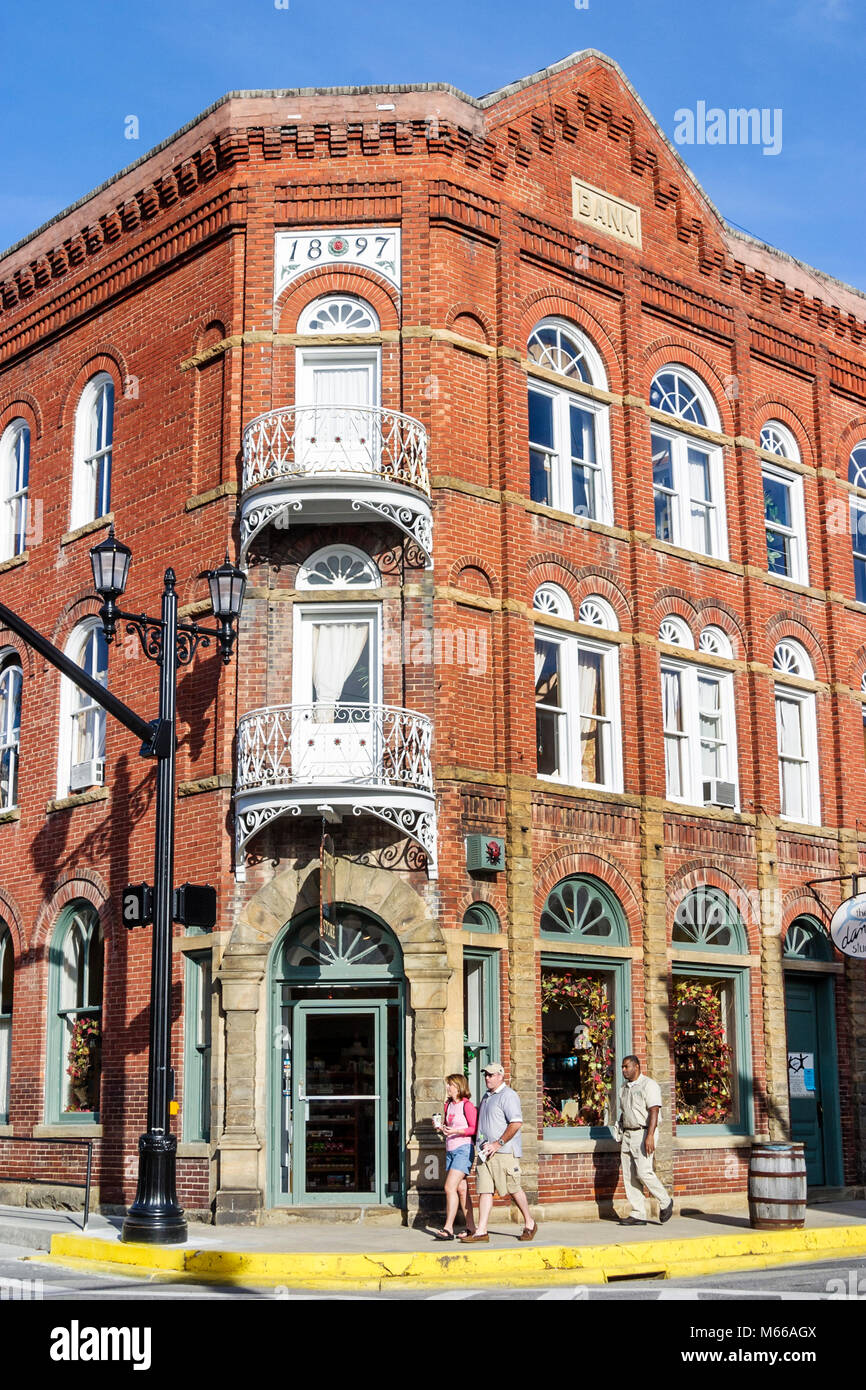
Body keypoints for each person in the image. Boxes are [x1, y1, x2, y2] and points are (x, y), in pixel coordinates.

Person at [462, 1062, 537, 1242]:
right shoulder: (487, 1097)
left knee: (513, 1188)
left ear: (500, 1076)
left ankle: (530, 1222)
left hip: (503, 1152)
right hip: (485, 1152)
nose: (487, 1078)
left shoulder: (508, 1096)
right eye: (486, 1075)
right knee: (484, 1190)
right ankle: (481, 1231)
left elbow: (516, 1123)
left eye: (491, 1075)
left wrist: (498, 1143)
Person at [615, 1054, 674, 1226]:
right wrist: (620, 1130)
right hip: (627, 1133)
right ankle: (638, 1213)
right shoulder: (623, 1088)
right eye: (622, 1067)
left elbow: (654, 1110)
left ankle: (665, 1201)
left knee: (643, 1171)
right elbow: (624, 1111)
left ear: (637, 1067)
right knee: (629, 1175)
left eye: (626, 1067)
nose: (623, 1070)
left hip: (643, 1132)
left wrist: (650, 1135)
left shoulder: (649, 1085)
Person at [432, 1073, 477, 1240]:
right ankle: (471, 1228)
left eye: (450, 1085)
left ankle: (448, 1228)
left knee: (449, 1187)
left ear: (458, 1087)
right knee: (462, 1189)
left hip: (464, 1149)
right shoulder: (448, 1105)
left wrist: (457, 1131)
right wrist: (442, 1128)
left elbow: (473, 1128)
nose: (447, 1088)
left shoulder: (467, 1106)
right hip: (450, 1149)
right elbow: (449, 1126)